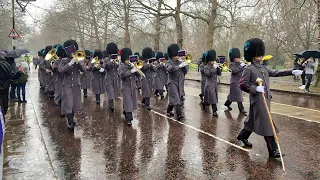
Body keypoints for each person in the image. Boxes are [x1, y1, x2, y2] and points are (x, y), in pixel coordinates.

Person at [236, 38, 303, 158]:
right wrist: (255, 89)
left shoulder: (264, 68)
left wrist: (292, 71)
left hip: (265, 100)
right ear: (252, 55)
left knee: (252, 121)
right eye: (258, 54)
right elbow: (242, 84)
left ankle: (243, 136)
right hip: (257, 101)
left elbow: (276, 72)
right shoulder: (249, 69)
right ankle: (273, 150)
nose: (261, 55)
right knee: (267, 124)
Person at [58, 39, 86, 131]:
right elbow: (60, 70)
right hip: (67, 84)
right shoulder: (64, 60)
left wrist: (78, 62)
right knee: (69, 103)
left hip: (76, 84)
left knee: (75, 103)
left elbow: (84, 70)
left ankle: (72, 119)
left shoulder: (79, 58)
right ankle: (70, 122)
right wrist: (70, 63)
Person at [166, 44, 188, 120]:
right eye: (176, 55)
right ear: (172, 55)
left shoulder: (180, 61)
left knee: (174, 99)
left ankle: (169, 110)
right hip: (172, 83)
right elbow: (170, 69)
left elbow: (185, 72)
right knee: (176, 99)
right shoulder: (169, 62)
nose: (177, 56)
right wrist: (179, 66)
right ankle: (179, 114)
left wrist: (184, 65)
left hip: (179, 83)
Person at [118, 48, 139, 126]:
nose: (128, 61)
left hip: (133, 87)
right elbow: (121, 74)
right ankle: (129, 119)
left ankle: (125, 111)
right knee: (128, 102)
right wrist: (131, 71)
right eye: (127, 59)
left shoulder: (132, 65)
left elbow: (139, 75)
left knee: (131, 102)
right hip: (125, 87)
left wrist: (137, 70)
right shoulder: (121, 66)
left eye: (129, 59)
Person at [224, 48, 247, 114]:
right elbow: (234, 71)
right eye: (236, 58)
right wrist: (241, 66)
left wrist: (245, 66)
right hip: (234, 82)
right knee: (238, 96)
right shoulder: (231, 64)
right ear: (233, 58)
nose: (237, 59)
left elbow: (243, 72)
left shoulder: (241, 64)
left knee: (233, 95)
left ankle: (227, 103)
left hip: (240, 82)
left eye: (238, 58)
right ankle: (241, 109)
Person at [0, 51, 22, 117]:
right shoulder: (7, 65)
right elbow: (13, 76)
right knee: (4, 109)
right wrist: (19, 73)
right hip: (5, 90)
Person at [202, 50, 221, 116]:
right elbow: (208, 74)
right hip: (209, 85)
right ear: (209, 61)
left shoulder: (214, 66)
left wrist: (218, 68)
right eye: (212, 60)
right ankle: (214, 111)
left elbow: (219, 74)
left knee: (209, 99)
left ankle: (204, 104)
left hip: (214, 84)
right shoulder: (206, 67)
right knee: (213, 98)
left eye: (213, 60)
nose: (213, 62)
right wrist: (213, 68)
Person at [103, 43, 120, 112]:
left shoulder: (117, 59)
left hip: (115, 78)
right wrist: (110, 61)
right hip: (108, 78)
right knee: (110, 92)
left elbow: (117, 68)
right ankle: (111, 106)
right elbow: (105, 67)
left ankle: (110, 104)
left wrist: (118, 63)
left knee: (115, 92)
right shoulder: (106, 59)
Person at [53, 45, 67, 113]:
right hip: (60, 80)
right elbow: (55, 69)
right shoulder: (57, 61)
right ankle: (62, 111)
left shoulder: (60, 61)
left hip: (65, 80)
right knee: (61, 96)